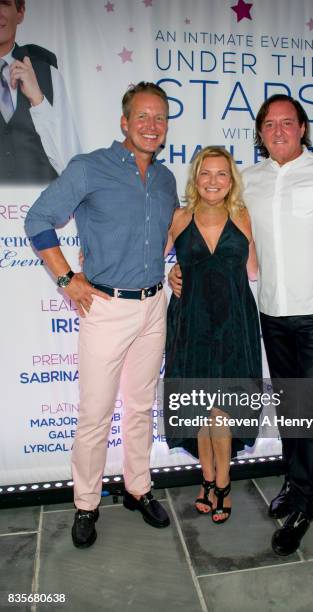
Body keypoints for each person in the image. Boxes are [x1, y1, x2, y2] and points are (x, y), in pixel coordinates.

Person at [169, 94, 313, 553]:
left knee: (310, 410)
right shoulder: (247, 184)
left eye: (287, 123)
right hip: (270, 315)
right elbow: (216, 240)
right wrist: (179, 271)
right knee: (292, 410)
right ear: (259, 133)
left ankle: (303, 501)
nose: (278, 131)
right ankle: (296, 484)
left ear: (302, 128)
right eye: (269, 124)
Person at [25, 81, 179, 548]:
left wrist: (173, 271)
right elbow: (37, 220)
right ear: (124, 121)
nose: (152, 126)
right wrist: (68, 279)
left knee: (140, 407)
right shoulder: (90, 167)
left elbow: (165, 233)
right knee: (94, 414)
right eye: (143, 117)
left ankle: (138, 488)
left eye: (160, 118)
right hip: (106, 307)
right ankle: (87, 504)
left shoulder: (167, 178)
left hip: (155, 307)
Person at [164, 146, 262, 524]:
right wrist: (170, 276)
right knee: (199, 406)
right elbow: (150, 261)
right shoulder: (178, 217)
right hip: (190, 322)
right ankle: (206, 477)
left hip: (233, 322)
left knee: (221, 407)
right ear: (195, 177)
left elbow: (253, 269)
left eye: (222, 174)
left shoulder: (242, 215)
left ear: (231, 180)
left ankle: (223, 481)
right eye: (206, 173)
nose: (213, 181)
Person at [0, 0, 80, 184]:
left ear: (20, 13)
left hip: (39, 208)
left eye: (3, 3)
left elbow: (72, 164)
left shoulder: (48, 73)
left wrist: (38, 99)